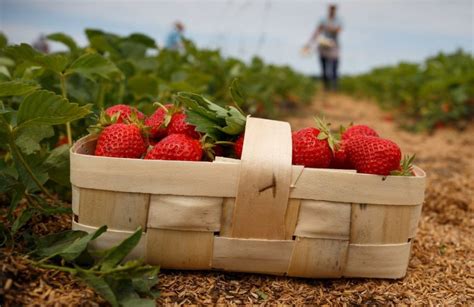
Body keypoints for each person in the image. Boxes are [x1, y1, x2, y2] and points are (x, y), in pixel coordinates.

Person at [304, 5, 342, 91]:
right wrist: (309, 44)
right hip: (323, 46)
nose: (332, 11)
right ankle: (326, 88)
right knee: (324, 68)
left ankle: (335, 89)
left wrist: (328, 28)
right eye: (330, 9)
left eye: (333, 10)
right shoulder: (323, 20)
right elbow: (316, 32)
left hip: (334, 46)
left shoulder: (338, 20)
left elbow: (338, 31)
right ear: (329, 10)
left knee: (334, 68)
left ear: (335, 11)